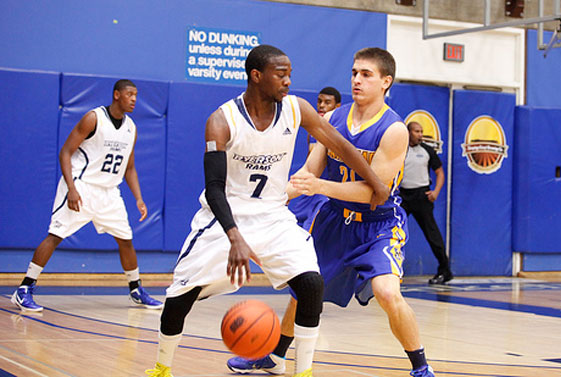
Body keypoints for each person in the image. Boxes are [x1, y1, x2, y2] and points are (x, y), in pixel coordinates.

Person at [145, 45, 389, 377]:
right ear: (256, 76)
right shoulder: (222, 121)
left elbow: (339, 144)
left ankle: (302, 371)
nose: (288, 81)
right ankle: (161, 367)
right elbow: (215, 188)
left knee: (311, 285)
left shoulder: (296, 109)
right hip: (224, 218)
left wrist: (376, 183)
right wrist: (235, 238)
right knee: (180, 298)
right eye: (281, 74)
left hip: (274, 215)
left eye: (290, 74)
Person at [227, 48, 435, 377]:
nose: (356, 80)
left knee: (386, 292)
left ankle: (421, 367)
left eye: (366, 74)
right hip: (336, 221)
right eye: (354, 72)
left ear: (385, 82)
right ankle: (276, 357)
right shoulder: (333, 118)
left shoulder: (393, 130)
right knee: (304, 288)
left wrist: (319, 187)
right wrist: (272, 200)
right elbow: (309, 171)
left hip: (378, 224)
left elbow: (373, 193)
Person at [11, 79, 162, 312]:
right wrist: (71, 187)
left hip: (109, 192)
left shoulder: (132, 127)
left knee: (126, 240)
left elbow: (129, 167)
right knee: (56, 235)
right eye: (130, 94)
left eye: (136, 95)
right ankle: (24, 288)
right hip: (82, 186)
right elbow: (65, 152)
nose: (134, 99)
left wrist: (139, 198)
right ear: (116, 95)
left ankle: (136, 290)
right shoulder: (93, 118)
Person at [399, 121, 453, 285]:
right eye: (417, 131)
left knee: (432, 235)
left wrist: (435, 191)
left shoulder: (427, 150)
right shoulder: (400, 148)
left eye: (421, 131)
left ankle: (445, 270)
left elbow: (440, 173)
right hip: (402, 196)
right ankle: (387, 271)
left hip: (421, 196)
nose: (420, 134)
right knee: (392, 233)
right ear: (408, 132)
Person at [291, 86, 341, 230]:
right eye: (319, 101)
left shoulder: (341, 131)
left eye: (327, 102)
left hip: (327, 194)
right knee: (295, 229)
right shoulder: (312, 132)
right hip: (309, 192)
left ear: (337, 106)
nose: (321, 105)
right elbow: (310, 166)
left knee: (311, 234)